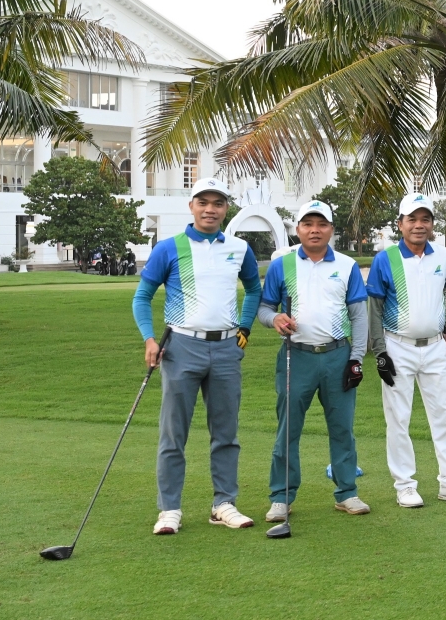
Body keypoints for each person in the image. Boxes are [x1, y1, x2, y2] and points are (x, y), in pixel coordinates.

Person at [131, 177, 262, 535]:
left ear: (226, 209)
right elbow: (142, 297)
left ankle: (223, 504)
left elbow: (253, 289)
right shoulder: (168, 248)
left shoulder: (239, 248)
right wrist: (149, 339)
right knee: (173, 433)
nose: (210, 209)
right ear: (191, 206)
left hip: (225, 348)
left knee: (226, 432)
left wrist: (245, 329)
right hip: (181, 346)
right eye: (202, 202)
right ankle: (169, 509)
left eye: (217, 203)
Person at [258, 200, 371, 522]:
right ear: (298, 229)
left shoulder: (347, 266)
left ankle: (347, 492)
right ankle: (281, 496)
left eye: (321, 224)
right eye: (308, 224)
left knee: (342, 429)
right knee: (288, 430)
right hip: (297, 356)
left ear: (331, 230)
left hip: (337, 355)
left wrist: (355, 358)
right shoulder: (282, 265)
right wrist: (275, 318)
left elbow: (358, 317)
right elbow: (264, 308)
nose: (315, 230)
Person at [366, 192, 446, 507]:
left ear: (432, 224)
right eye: (412, 219)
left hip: (435, 349)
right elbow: (374, 308)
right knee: (398, 418)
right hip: (396, 347)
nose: (419, 225)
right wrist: (380, 351)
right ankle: (405, 485)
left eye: (425, 219)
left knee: (445, 415)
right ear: (400, 223)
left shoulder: (443, 257)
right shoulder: (384, 259)